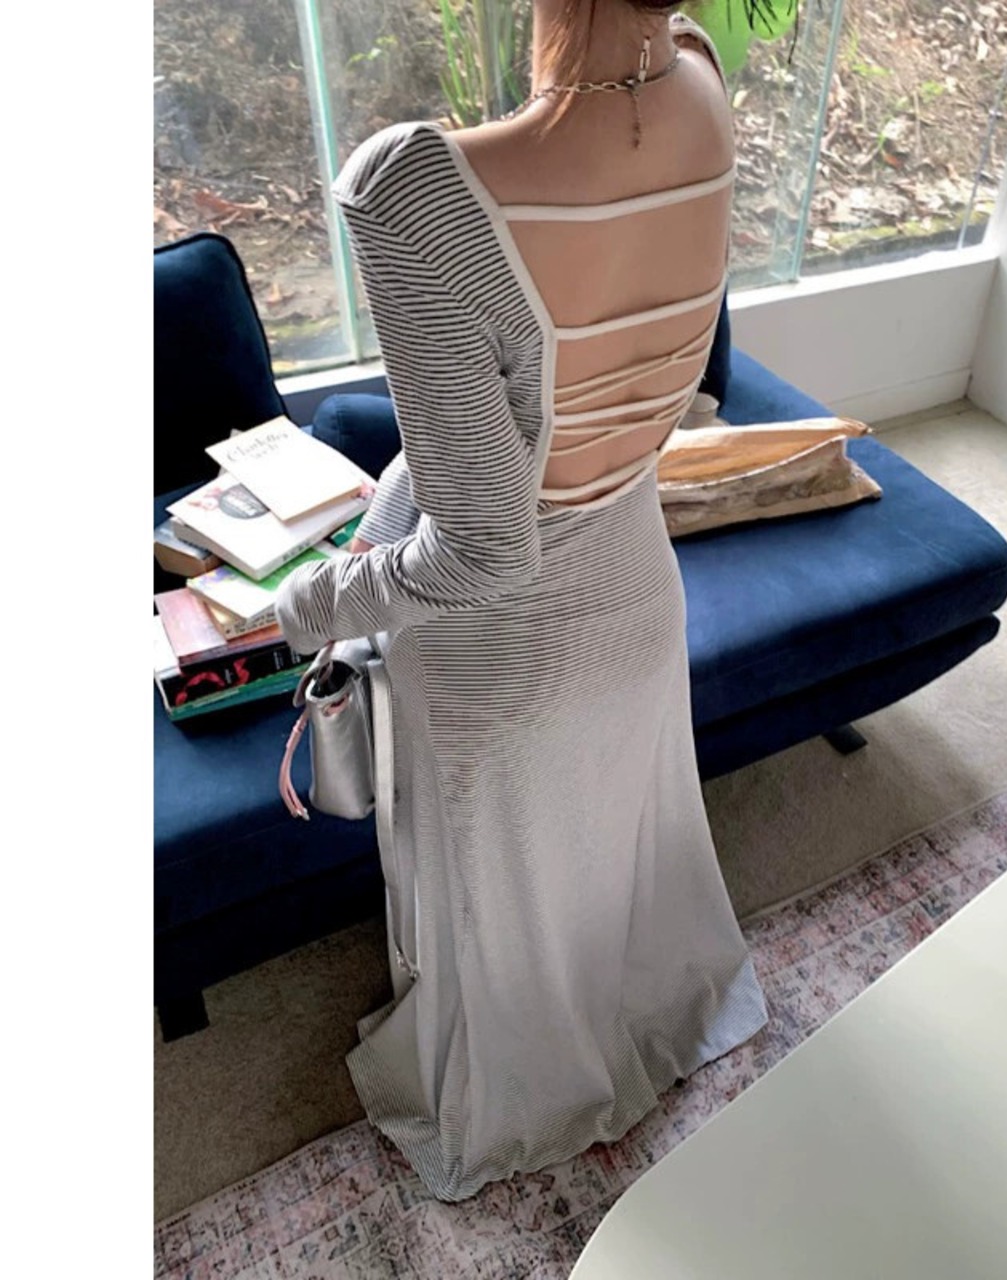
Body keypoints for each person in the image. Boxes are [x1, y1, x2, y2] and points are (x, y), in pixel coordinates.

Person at [274, 0, 770, 1203]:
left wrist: (310, 602)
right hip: (634, 588)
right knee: (606, 856)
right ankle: (628, 1029)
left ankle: (516, 1098)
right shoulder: (699, 76)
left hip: (497, 646)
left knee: (499, 907)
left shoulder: (412, 191)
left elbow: (483, 550)